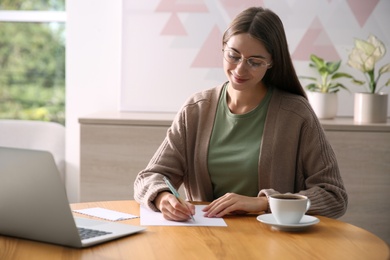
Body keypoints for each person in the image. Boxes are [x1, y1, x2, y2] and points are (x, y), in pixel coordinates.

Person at [134, 6, 348, 221]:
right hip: (207, 237)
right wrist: (163, 197)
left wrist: (264, 203)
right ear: (223, 48)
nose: (239, 70)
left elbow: (334, 196)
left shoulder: (295, 114)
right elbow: (149, 177)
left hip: (273, 243)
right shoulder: (196, 109)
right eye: (233, 56)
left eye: (254, 62)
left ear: (272, 62)